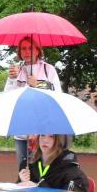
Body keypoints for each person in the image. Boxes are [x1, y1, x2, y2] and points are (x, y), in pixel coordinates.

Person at [5, 38, 62, 170]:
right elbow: (7, 97)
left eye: (30, 48)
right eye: (23, 49)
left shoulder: (48, 69)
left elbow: (58, 95)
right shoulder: (16, 70)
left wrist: (38, 85)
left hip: (44, 131)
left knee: (43, 170)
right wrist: (12, 79)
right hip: (22, 130)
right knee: (23, 171)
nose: (27, 52)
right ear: (19, 52)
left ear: (37, 51)